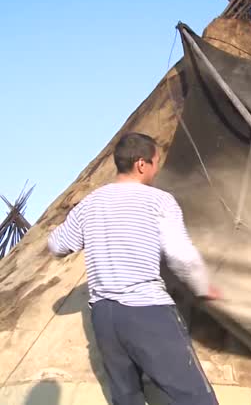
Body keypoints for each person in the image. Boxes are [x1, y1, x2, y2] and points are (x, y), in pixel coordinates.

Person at [48, 132, 220, 405]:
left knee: (127, 398)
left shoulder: (89, 205)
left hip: (104, 318)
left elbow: (56, 245)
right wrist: (202, 286)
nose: (156, 169)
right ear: (142, 164)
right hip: (147, 310)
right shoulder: (158, 201)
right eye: (155, 162)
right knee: (196, 397)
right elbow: (180, 255)